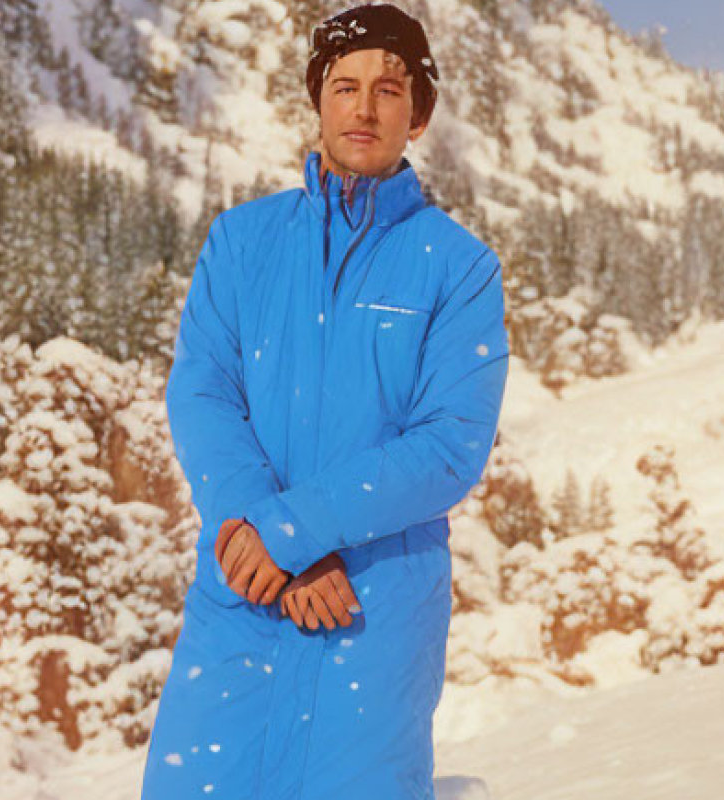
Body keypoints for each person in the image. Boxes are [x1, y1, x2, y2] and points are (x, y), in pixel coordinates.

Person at [140, 4, 509, 798]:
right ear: (318, 101)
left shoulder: (459, 268)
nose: (364, 107)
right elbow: (203, 392)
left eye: (388, 87)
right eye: (345, 86)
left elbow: (449, 443)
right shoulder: (241, 242)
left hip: (371, 615)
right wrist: (262, 537)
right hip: (243, 594)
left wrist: (292, 531)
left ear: (420, 112)